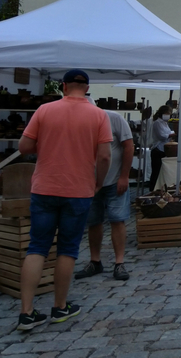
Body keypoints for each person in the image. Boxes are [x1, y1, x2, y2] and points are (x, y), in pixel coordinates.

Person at [16, 69, 113, 330]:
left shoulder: (45, 110)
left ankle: (26, 312)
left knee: (37, 246)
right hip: (78, 189)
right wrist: (99, 182)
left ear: (64, 86)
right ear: (87, 88)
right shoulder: (98, 115)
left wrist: (47, 144)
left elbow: (24, 147)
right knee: (67, 248)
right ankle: (60, 307)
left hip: (45, 187)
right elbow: (105, 156)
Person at [74, 110, 134, 281]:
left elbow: (129, 146)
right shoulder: (78, 120)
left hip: (114, 180)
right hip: (90, 182)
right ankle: (95, 261)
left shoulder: (114, 118)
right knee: (93, 221)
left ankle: (119, 262)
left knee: (117, 219)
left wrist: (124, 176)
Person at [149, 105, 174, 191]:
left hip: (164, 149)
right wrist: (172, 134)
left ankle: (160, 189)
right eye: (168, 113)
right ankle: (153, 189)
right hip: (158, 149)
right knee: (156, 171)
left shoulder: (164, 123)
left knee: (161, 172)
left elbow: (168, 132)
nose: (169, 115)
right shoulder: (157, 123)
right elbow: (162, 136)